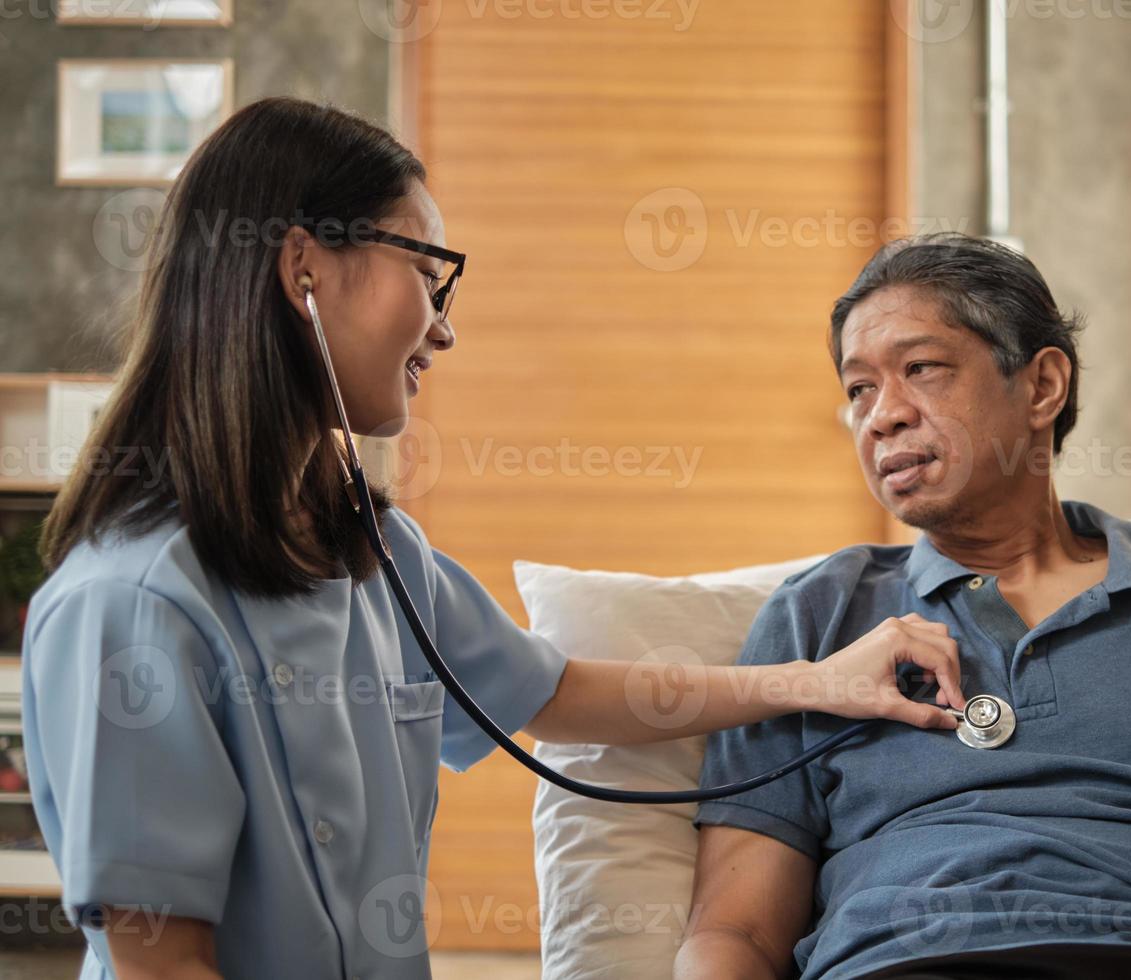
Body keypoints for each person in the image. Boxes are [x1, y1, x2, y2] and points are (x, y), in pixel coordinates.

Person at [21, 97, 968, 980]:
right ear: (303, 268)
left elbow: (557, 691)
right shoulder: (133, 606)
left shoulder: (376, 552)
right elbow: (163, 964)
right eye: (428, 280)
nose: (443, 331)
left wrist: (818, 681)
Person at [677, 234, 1131, 980]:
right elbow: (733, 931)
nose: (881, 417)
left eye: (920, 369)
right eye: (859, 388)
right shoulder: (817, 616)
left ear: (1043, 385)